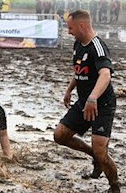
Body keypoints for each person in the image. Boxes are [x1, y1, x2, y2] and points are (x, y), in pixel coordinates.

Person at [53, 10, 120, 193]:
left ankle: (114, 186)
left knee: (100, 150)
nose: (69, 31)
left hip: (102, 104)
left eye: (70, 27)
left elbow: (105, 74)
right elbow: (79, 72)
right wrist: (69, 89)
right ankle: (95, 158)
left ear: (82, 26)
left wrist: (93, 98)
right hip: (84, 101)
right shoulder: (78, 44)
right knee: (60, 136)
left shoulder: (97, 46)